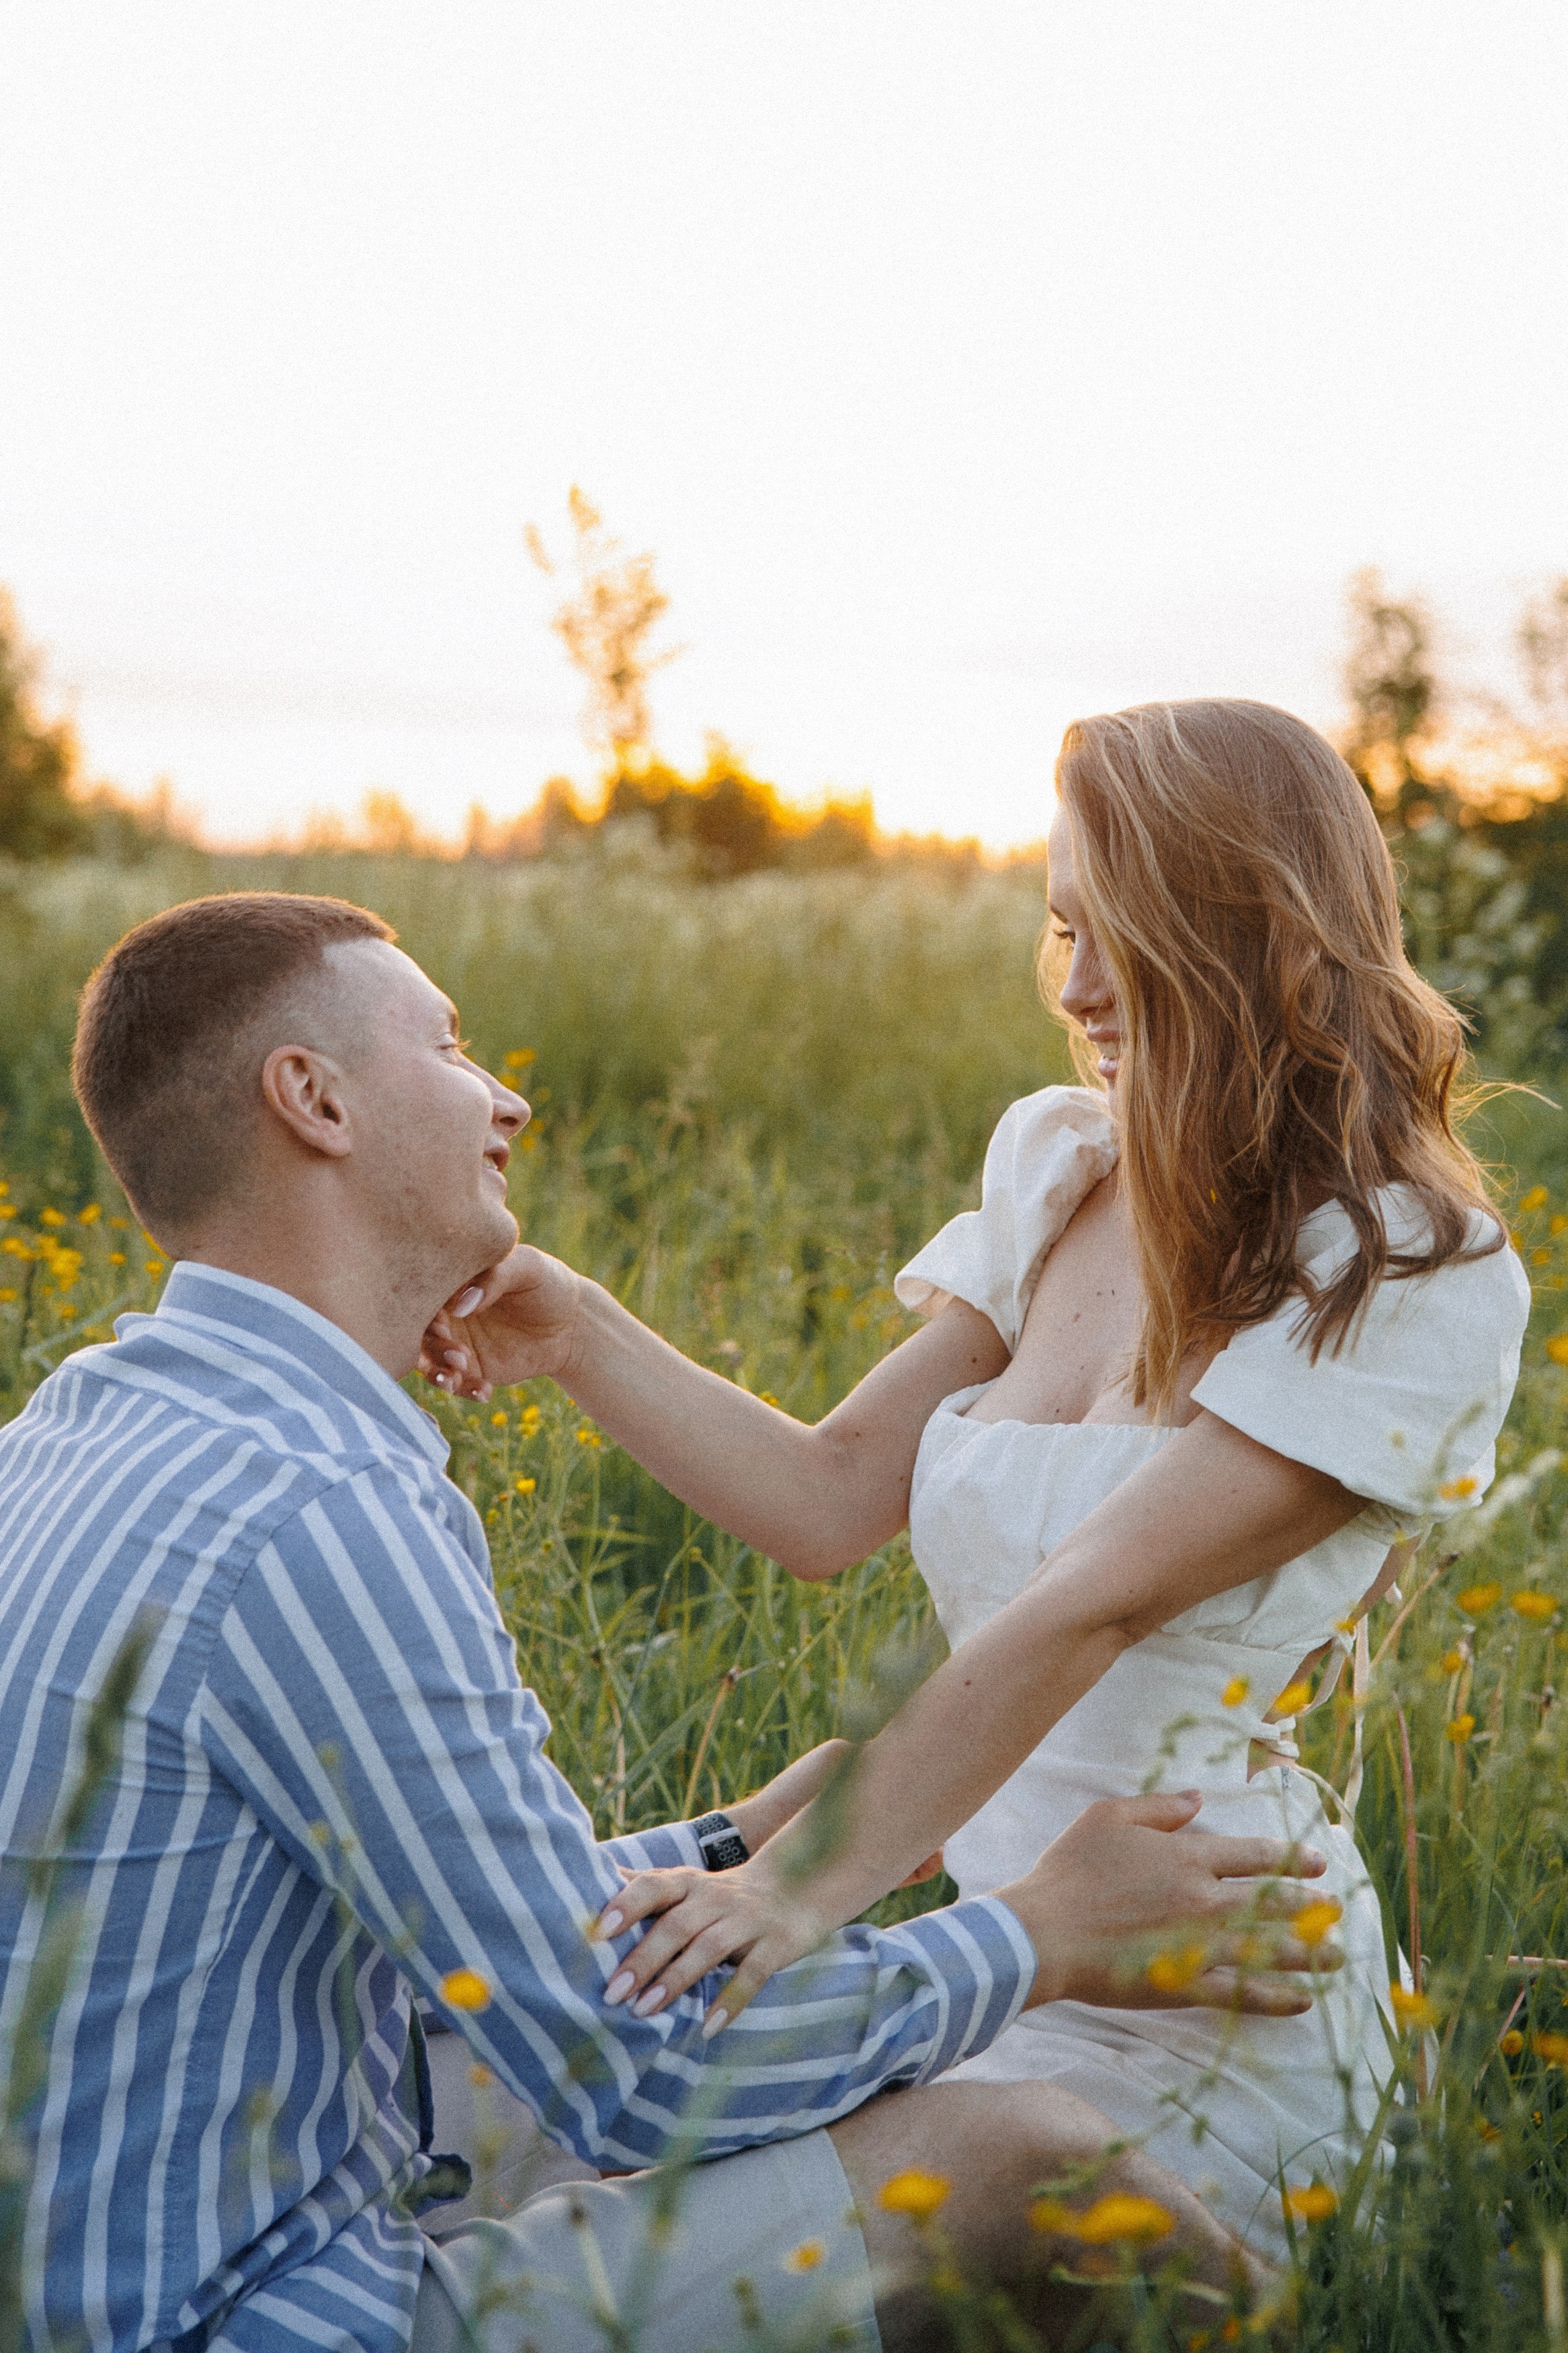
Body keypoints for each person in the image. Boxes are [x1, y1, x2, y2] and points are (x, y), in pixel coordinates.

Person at [0, 891, 1336, 2353]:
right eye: (447, 1048)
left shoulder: (69, 1433)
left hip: (138, 2248)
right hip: (250, 2311)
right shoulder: (321, 1510)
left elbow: (442, 1921)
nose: (505, 1097)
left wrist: (733, 1842)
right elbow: (623, 2070)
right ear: (314, 1100)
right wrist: (1035, 1937)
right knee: (1019, 2164)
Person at [426, 699, 1532, 2258]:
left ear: (1260, 934)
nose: (1075, 987)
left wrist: (798, 1886)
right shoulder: (1061, 1167)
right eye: (1063, 927)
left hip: (1215, 1974)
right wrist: (581, 1331)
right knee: (538, 2171)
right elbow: (826, 1497)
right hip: (1011, 1952)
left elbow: (1090, 1606)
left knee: (658, 2238)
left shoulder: (1408, 1268)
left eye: (1123, 933)